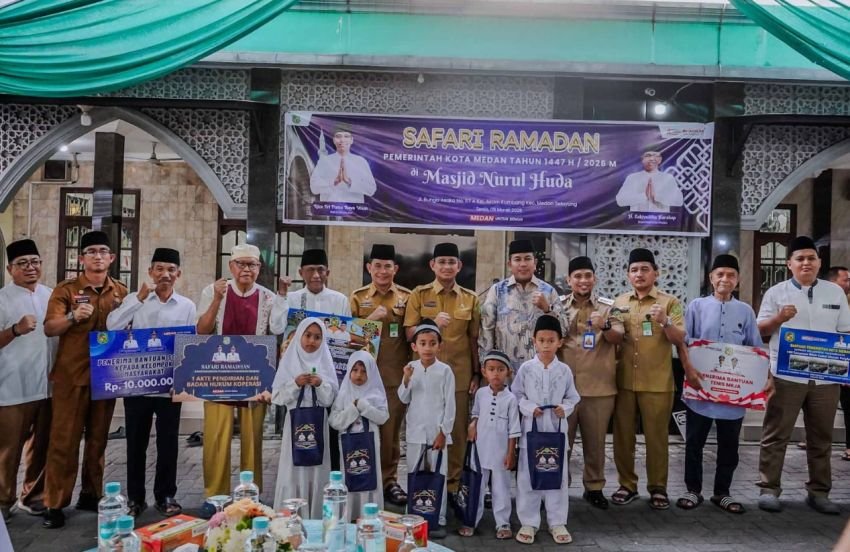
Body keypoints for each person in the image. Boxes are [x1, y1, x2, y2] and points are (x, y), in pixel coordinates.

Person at [756, 236, 850, 515]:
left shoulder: (834, 292)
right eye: (800, 259)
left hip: (826, 379)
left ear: (819, 263)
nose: (806, 263)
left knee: (821, 437)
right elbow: (760, 330)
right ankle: (768, 488)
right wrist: (779, 319)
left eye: (811, 258)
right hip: (786, 376)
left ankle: (819, 492)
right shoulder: (776, 292)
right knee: (776, 434)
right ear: (790, 264)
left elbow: (845, 332)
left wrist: (844, 367)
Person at [42, 231, 128, 528]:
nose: (97, 256)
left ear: (112, 258)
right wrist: (71, 317)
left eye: (103, 251)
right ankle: (55, 503)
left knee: (98, 441)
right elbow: (49, 328)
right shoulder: (66, 290)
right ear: (82, 258)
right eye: (91, 251)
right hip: (71, 378)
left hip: (106, 378)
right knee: (63, 442)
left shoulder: (120, 292)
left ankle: (91, 494)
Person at [106, 247, 196, 518]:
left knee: (168, 443)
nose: (165, 274)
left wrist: (180, 380)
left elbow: (188, 345)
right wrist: (138, 300)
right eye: (159, 269)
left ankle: (166, 495)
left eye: (171, 270)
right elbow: (112, 328)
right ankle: (135, 499)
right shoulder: (136, 299)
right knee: (135, 443)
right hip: (137, 386)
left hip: (169, 387)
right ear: (150, 272)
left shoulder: (187, 306)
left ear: (178, 274)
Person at [675, 254, 767, 515]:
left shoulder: (746, 311)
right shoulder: (696, 306)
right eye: (720, 274)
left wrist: (764, 379)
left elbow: (755, 348)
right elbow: (685, 343)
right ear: (711, 278)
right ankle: (692, 490)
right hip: (701, 389)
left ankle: (722, 493)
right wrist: (688, 371)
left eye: (731, 275)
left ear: (737, 280)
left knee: (729, 446)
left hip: (733, 393)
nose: (725, 279)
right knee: (694, 443)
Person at [196, 243, 279, 498]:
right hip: (217, 375)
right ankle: (215, 496)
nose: (246, 269)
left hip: (253, 376)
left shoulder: (268, 298)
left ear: (259, 268)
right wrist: (218, 299)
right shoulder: (213, 291)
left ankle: (249, 495)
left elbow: (275, 332)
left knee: (252, 439)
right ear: (231, 266)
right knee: (216, 438)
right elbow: (201, 330)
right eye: (241, 264)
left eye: (252, 265)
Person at [610, 247, 686, 510]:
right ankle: (626, 485)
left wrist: (665, 322)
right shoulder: (618, 303)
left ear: (656, 273)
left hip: (657, 383)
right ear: (627, 275)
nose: (639, 274)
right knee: (623, 437)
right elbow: (613, 339)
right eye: (634, 269)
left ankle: (658, 487)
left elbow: (680, 339)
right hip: (623, 382)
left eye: (644, 269)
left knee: (656, 438)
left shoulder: (669, 303)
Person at [404, 242, 480, 501]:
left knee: (455, 432)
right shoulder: (419, 295)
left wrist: (477, 374)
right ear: (432, 265)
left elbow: (474, 340)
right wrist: (431, 323)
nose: (447, 266)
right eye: (442, 262)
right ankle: (423, 481)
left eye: (452, 262)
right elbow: (409, 334)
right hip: (423, 377)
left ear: (459, 266)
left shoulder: (470, 298)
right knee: (423, 428)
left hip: (458, 375)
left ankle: (452, 486)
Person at [273, 247, 351, 470]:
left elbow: (343, 341)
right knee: (299, 432)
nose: (316, 275)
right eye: (310, 270)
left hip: (328, 376)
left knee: (329, 433)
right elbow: (277, 327)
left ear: (328, 272)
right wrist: (280, 295)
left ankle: (330, 480)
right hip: (296, 376)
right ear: (301, 272)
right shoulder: (293, 298)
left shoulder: (339, 299)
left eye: (320, 270)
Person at [559, 256, 624, 510]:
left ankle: (594, 487)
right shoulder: (559, 306)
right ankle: (559, 486)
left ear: (594, 278)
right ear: (569, 280)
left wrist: (604, 325)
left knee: (595, 442)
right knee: (561, 442)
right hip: (563, 390)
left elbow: (619, 337)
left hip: (598, 387)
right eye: (577, 276)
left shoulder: (609, 307)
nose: (583, 281)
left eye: (587, 275)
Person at [350, 243, 411, 506]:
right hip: (361, 379)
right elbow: (347, 337)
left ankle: (389, 481)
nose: (383, 271)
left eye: (388, 266)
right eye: (378, 266)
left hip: (393, 378)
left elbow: (412, 337)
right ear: (369, 268)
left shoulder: (407, 298)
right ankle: (361, 475)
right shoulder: (356, 298)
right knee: (359, 428)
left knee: (390, 434)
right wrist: (371, 320)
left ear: (395, 269)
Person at [512, 315, 580, 546]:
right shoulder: (526, 369)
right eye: (542, 340)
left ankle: (557, 521)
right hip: (531, 430)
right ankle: (528, 522)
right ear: (534, 341)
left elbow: (573, 396)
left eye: (551, 340)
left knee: (556, 475)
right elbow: (517, 394)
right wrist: (530, 408)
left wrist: (565, 408)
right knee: (527, 474)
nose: (546, 344)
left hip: (556, 430)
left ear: (559, 342)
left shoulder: (565, 370)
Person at [0, 239, 56, 521]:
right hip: (11, 387)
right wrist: (14, 329)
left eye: (35, 262)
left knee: (41, 445)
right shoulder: (2, 298)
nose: (30, 267)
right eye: (23, 263)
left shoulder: (52, 295)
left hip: (46, 386)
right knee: (7, 449)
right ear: (10, 269)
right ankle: (3, 501)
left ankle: (32, 496)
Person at [272, 317, 338, 518]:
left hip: (319, 424)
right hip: (295, 423)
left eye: (317, 337)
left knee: (318, 468)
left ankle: (317, 515)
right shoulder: (289, 361)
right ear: (299, 335)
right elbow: (277, 397)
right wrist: (295, 383)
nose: (311, 341)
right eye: (307, 335)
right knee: (294, 468)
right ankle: (292, 515)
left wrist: (320, 384)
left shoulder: (325, 361)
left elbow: (331, 398)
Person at [399, 319, 456, 539]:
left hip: (437, 433)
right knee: (414, 474)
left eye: (432, 343)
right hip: (415, 433)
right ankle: (413, 516)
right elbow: (403, 398)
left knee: (437, 475)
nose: (427, 347)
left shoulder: (445, 371)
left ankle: (437, 519)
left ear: (439, 346)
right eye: (422, 343)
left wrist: (444, 432)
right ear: (415, 346)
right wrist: (406, 379)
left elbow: (450, 405)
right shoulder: (411, 369)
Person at [479, 239, 567, 377]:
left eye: (527, 259)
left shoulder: (548, 291)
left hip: (540, 372)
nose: (523, 264)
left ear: (535, 263)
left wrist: (547, 309)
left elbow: (564, 330)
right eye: (517, 259)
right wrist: (486, 367)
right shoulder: (497, 291)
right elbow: (486, 332)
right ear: (509, 264)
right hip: (504, 372)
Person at [462, 350, 520, 540]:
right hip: (480, 450)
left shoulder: (511, 399)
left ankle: (502, 522)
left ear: (508, 372)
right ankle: (471, 520)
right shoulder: (480, 394)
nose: (496, 373)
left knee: (501, 488)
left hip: (501, 452)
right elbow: (476, 413)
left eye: (500, 369)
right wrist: (473, 423)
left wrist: (511, 453)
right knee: (476, 486)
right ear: (484, 371)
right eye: (491, 369)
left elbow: (513, 430)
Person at [329, 351, 389, 519]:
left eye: (363, 371)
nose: (358, 375)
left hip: (369, 443)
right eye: (354, 370)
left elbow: (383, 417)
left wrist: (364, 406)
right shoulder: (343, 394)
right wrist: (353, 409)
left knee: (369, 479)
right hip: (348, 444)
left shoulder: (376, 393)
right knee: (351, 478)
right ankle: (350, 515)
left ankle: (369, 516)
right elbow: (334, 421)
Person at [309, 124, 377, 204]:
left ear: (351, 140)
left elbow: (371, 189)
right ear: (334, 140)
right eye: (338, 136)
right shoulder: (324, 161)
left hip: (354, 212)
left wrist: (349, 182)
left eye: (346, 136)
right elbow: (314, 188)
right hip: (330, 210)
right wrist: (333, 182)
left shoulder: (361, 161)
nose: (342, 140)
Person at [826, 266, 850, 462]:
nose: (849, 283)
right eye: (846, 279)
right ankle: (813, 439)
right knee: (819, 406)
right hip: (823, 360)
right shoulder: (822, 300)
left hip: (845, 362)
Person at [615, 150, 684, 213]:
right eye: (648, 156)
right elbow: (620, 201)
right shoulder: (632, 178)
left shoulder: (668, 178)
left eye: (655, 155)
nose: (651, 159)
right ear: (642, 159)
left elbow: (679, 201)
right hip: (637, 221)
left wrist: (656, 196)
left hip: (661, 221)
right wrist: (643, 196)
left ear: (660, 160)